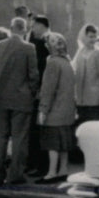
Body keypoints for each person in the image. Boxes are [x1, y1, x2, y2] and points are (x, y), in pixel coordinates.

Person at [0, 17, 39, 186]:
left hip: (0, 98)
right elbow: (33, 75)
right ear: (24, 30)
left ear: (11, 28)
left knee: (0, 137)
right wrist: (31, 92)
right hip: (21, 99)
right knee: (19, 138)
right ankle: (15, 175)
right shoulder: (29, 48)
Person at [37, 33, 77, 182]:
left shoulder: (52, 63)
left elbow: (48, 89)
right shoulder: (67, 62)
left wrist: (43, 109)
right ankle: (63, 170)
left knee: (52, 143)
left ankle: (52, 173)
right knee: (64, 143)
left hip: (55, 110)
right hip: (67, 110)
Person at [72, 23, 99, 127]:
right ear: (84, 37)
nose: (92, 40)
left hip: (95, 100)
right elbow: (74, 72)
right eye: (90, 37)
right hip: (81, 100)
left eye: (95, 37)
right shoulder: (80, 53)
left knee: (95, 125)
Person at [27, 15, 51, 174]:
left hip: (41, 92)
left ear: (42, 26)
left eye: (34, 25)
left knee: (41, 131)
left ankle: (42, 166)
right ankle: (36, 164)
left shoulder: (46, 42)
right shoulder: (35, 41)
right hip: (38, 91)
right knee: (36, 130)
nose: (32, 28)